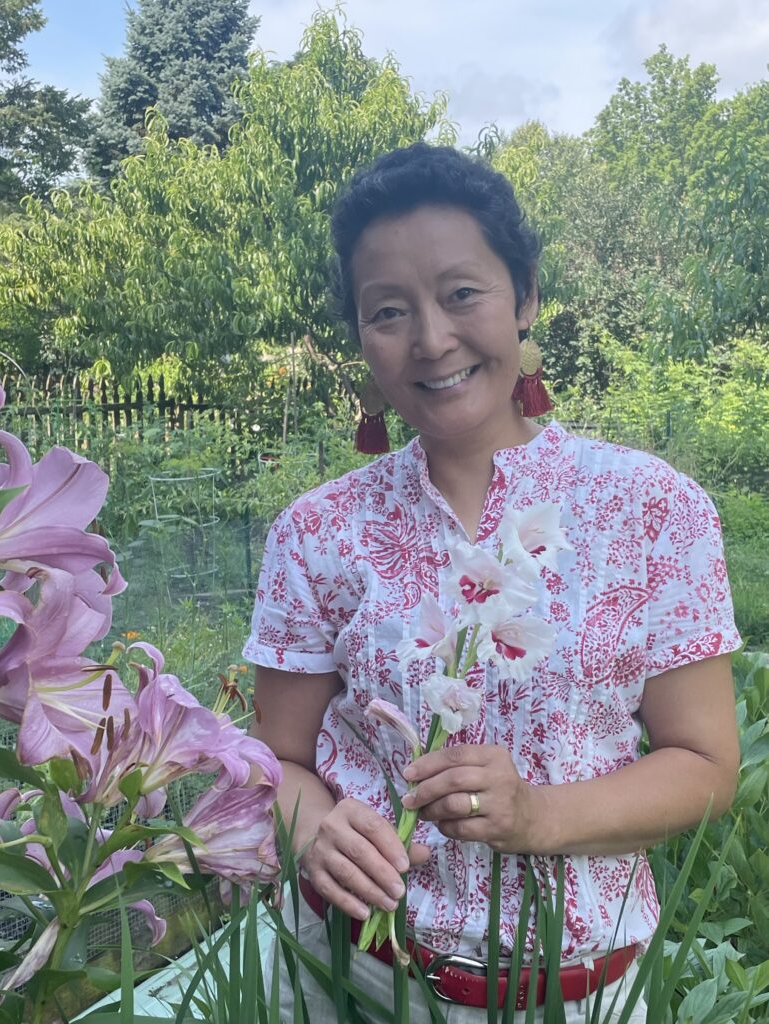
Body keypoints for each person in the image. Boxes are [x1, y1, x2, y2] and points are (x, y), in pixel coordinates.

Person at [244, 143, 741, 1023]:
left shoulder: (652, 508)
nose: (432, 339)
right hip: (344, 979)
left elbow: (704, 766)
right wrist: (316, 829)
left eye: (462, 293)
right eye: (388, 311)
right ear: (361, 339)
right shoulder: (320, 530)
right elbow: (276, 761)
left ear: (527, 296)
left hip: (580, 995)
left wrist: (535, 817)